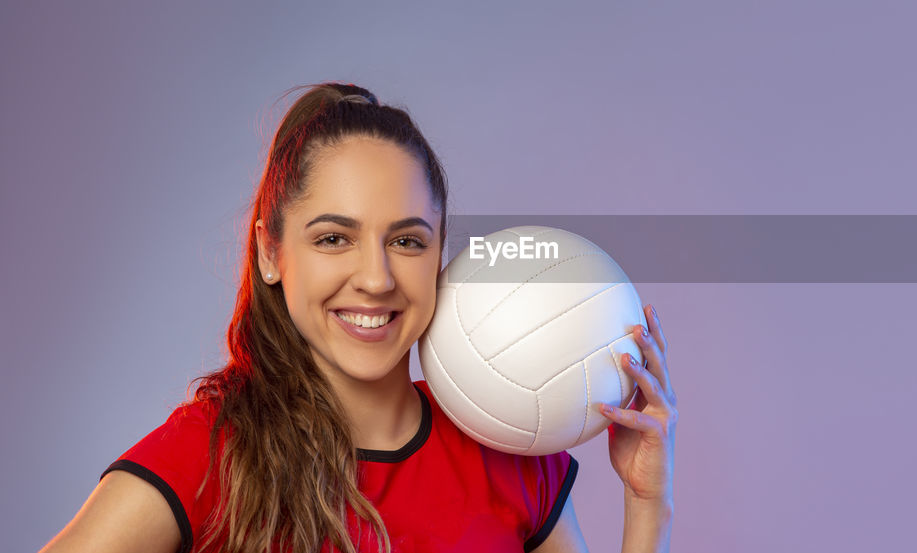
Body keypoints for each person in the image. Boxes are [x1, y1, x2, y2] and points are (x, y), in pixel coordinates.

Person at [40, 83, 678, 553]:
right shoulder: (213, 451)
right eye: (333, 239)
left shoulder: (508, 452)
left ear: (440, 255)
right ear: (270, 252)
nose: (376, 279)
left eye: (407, 241)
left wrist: (648, 505)